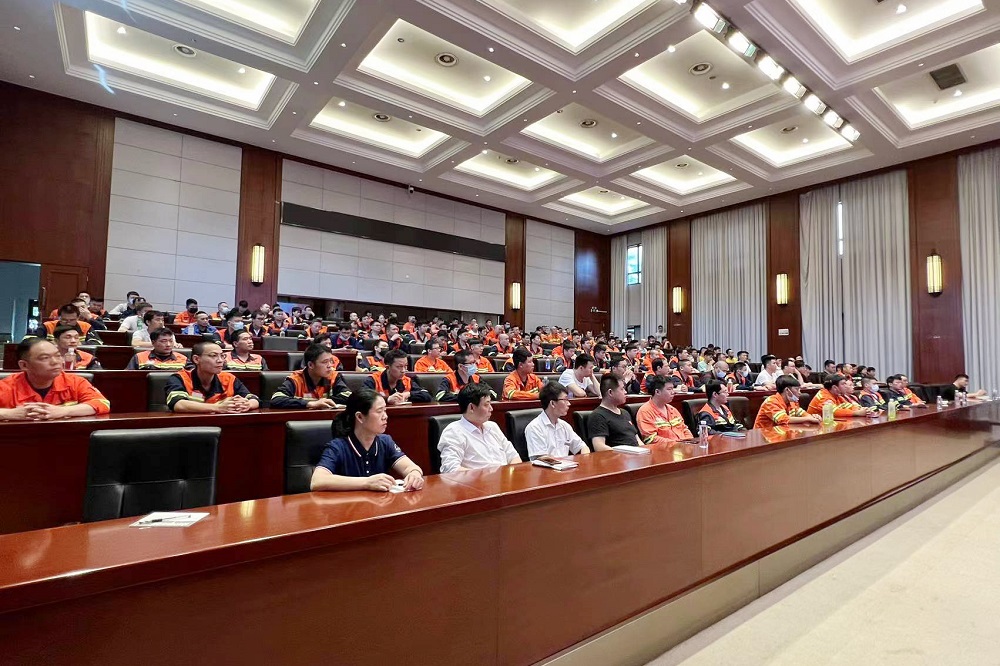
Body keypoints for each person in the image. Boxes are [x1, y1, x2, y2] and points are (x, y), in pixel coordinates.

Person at [309, 388, 425, 491]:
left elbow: (409, 467)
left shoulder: (385, 441)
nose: (385, 416)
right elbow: (317, 481)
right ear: (360, 417)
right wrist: (367, 482)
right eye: (379, 411)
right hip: (348, 507)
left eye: (385, 410)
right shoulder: (338, 447)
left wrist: (414, 474)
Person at [0, 338, 110, 420]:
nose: (55, 362)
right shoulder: (5, 387)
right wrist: (10, 414)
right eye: (45, 358)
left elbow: (103, 403)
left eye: (58, 355)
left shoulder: (75, 382)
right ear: (24, 365)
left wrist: (63, 411)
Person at [437, 383, 522, 472]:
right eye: (486, 405)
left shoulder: (492, 426)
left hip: (505, 478)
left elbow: (514, 457)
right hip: (477, 480)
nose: (491, 409)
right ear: (471, 407)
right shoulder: (454, 432)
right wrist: (485, 476)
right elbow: (451, 469)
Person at [164, 341, 259, 413]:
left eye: (222, 356)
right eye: (213, 356)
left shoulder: (228, 378)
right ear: (196, 359)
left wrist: (247, 404)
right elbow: (178, 404)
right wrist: (218, 407)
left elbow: (253, 398)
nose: (220, 360)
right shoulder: (180, 378)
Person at [270, 344, 352, 409]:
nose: (330, 366)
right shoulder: (296, 379)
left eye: (331, 361)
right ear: (310, 365)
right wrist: (310, 403)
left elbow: (349, 396)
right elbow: (276, 399)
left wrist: (325, 402)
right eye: (325, 362)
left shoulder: (333, 376)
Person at [524, 382, 590, 460]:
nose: (569, 404)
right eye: (565, 400)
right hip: (547, 467)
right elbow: (541, 459)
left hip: (567, 466)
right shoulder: (534, 427)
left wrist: (584, 458)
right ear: (552, 403)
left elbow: (583, 447)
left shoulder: (565, 426)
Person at [590, 374, 644, 451]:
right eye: (622, 389)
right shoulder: (597, 416)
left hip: (637, 455)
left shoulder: (625, 412)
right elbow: (599, 447)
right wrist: (624, 453)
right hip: (618, 456)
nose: (625, 392)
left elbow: (637, 440)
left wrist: (645, 451)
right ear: (610, 392)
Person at [635, 375, 691, 445]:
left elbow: (685, 429)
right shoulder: (645, 411)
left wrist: (690, 442)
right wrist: (677, 444)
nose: (673, 392)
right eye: (669, 389)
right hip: (664, 449)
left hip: (683, 447)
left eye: (673, 389)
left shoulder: (672, 409)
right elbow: (651, 439)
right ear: (657, 392)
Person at [362, 349, 431, 404]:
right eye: (399, 367)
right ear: (387, 367)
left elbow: (426, 395)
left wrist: (408, 394)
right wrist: (387, 399)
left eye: (405, 366)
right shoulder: (373, 380)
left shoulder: (407, 381)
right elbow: (362, 399)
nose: (403, 370)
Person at [753, 376, 821, 429]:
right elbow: (783, 420)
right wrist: (808, 419)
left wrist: (814, 417)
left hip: (781, 434)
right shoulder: (771, 402)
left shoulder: (792, 402)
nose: (800, 393)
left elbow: (804, 414)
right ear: (787, 390)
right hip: (763, 436)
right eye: (797, 389)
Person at [807, 374, 872, 418]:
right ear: (835, 387)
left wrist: (861, 409)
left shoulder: (837, 396)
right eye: (843, 384)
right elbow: (834, 412)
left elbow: (848, 405)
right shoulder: (823, 396)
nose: (846, 386)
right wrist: (857, 413)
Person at [35, 304, 101, 344]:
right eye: (64, 320)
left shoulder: (86, 326)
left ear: (78, 318)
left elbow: (98, 342)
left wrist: (80, 344)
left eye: (72, 320)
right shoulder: (47, 326)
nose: (68, 323)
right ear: (59, 317)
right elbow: (32, 341)